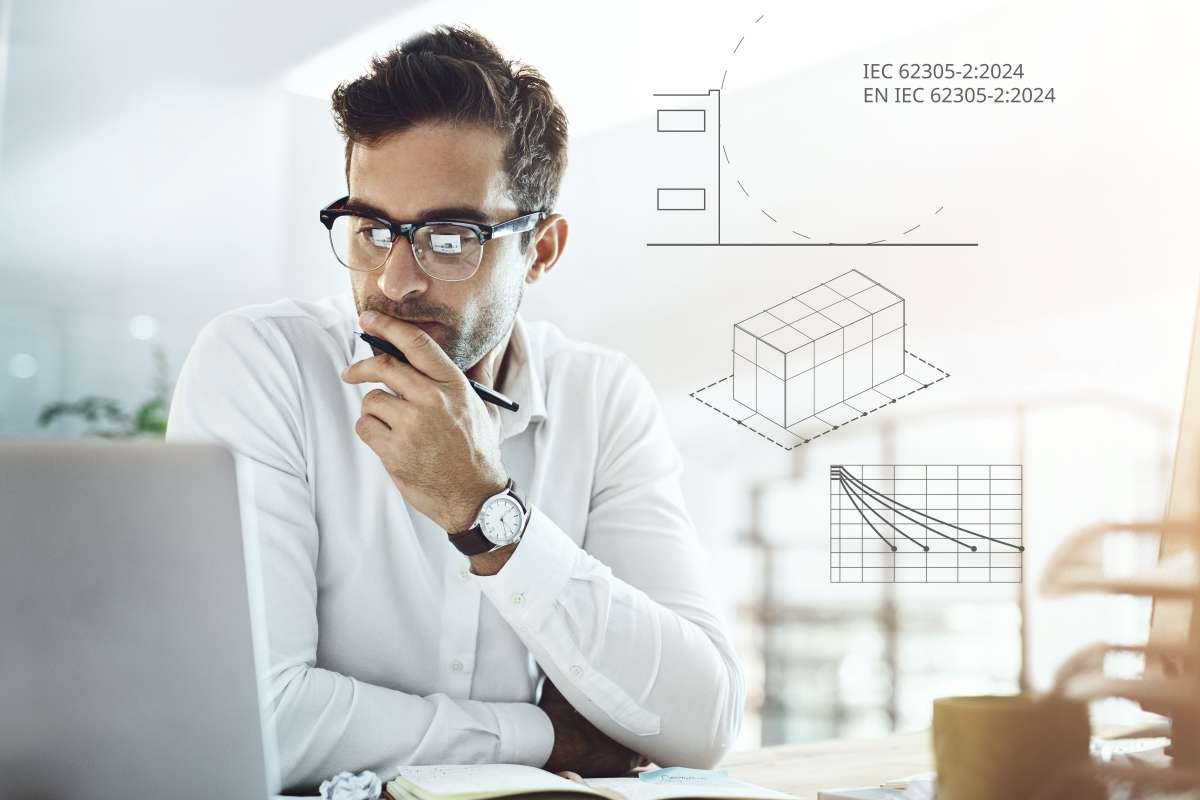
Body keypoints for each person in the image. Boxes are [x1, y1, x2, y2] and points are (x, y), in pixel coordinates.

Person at [166, 24, 744, 794]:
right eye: (372, 229)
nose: (397, 279)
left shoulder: (602, 397)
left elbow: (701, 719)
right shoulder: (260, 367)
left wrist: (484, 511)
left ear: (541, 250)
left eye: (449, 237)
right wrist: (541, 735)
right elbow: (247, 719)